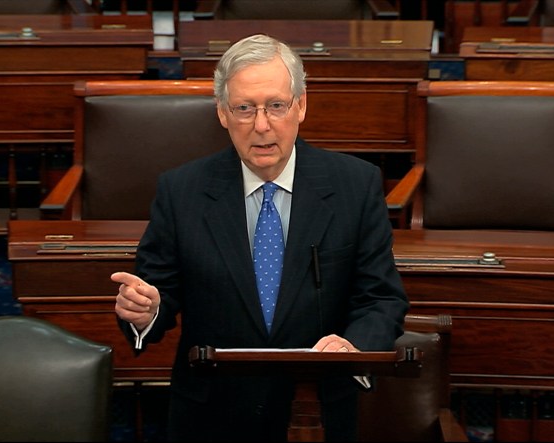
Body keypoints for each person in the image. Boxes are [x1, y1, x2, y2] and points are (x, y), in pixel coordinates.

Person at [111, 33, 409, 442]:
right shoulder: (182, 191)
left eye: (276, 106)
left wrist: (353, 348)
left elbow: (381, 298)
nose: (262, 125)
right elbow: (156, 293)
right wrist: (146, 312)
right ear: (222, 113)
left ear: (301, 105)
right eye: (244, 108)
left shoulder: (355, 186)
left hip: (317, 413)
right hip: (211, 415)